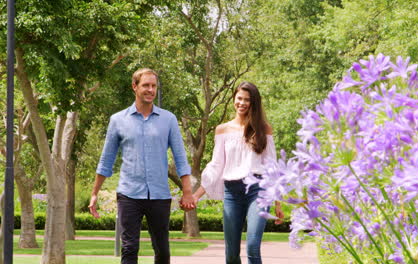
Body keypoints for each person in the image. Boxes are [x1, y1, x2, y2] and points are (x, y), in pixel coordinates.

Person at [88, 68, 195, 264]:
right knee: (129, 248)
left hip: (159, 195)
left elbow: (180, 158)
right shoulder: (118, 120)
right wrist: (95, 193)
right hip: (129, 194)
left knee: (162, 250)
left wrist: (187, 191)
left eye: (154, 86)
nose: (150, 90)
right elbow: (106, 160)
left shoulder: (168, 119)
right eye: (146, 85)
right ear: (134, 87)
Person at [193, 81, 284, 264]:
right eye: (239, 98)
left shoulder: (264, 129)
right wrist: (196, 195)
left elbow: (272, 165)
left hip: (258, 190)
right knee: (232, 253)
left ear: (254, 103)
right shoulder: (222, 130)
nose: (242, 103)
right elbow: (216, 166)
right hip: (232, 192)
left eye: (247, 100)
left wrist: (278, 203)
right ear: (234, 98)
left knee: (252, 246)